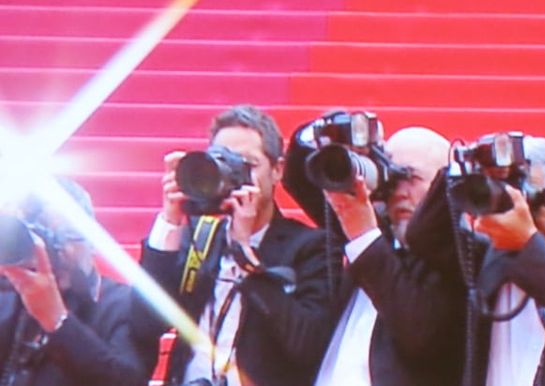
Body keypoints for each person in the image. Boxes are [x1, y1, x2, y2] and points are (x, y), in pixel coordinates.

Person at [131, 105, 334, 386]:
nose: (233, 175)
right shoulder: (200, 236)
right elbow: (144, 324)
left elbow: (307, 346)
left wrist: (246, 257)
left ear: (277, 170)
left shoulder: (310, 247)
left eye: (248, 165)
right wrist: (170, 220)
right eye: (221, 162)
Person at [407, 135, 545, 386]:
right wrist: (465, 168)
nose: (521, 218)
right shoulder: (495, 254)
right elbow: (425, 236)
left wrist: (528, 244)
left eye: (531, 203)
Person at [284, 120, 464, 386]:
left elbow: (420, 335)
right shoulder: (374, 233)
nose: (399, 192)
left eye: (412, 178)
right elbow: (300, 177)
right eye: (392, 178)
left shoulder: (456, 256)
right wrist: (328, 131)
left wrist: (364, 236)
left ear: (444, 187)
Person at [0, 178, 148, 386]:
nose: (62, 251)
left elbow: (129, 380)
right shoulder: (11, 295)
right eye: (44, 238)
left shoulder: (126, 305)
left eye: (70, 235)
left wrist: (58, 320)